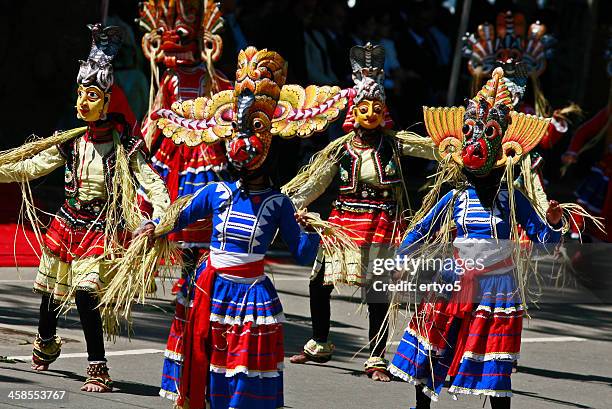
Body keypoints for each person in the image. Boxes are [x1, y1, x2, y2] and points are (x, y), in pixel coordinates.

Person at [148, 46, 352, 408]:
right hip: (209, 291)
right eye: (238, 131)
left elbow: (304, 255)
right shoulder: (216, 192)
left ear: (269, 145)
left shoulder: (278, 204)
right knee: (209, 364)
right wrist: (151, 228)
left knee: (243, 371)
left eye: (253, 131)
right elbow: (175, 219)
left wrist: (320, 233)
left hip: (251, 299)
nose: (243, 145)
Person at [0, 24, 170, 392]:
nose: (83, 102)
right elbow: (32, 166)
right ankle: (46, 342)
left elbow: (152, 181)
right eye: (81, 93)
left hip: (100, 227)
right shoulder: (72, 142)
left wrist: (161, 215)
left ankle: (98, 368)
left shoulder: (125, 146)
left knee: (86, 292)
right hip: (67, 223)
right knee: (49, 292)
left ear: (108, 101)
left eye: (92, 95)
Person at [388, 68, 563, 409]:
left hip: (498, 286)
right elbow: (421, 229)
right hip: (454, 279)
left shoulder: (513, 198)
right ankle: (421, 406)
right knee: (433, 341)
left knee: (494, 360)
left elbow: (544, 241)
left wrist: (555, 224)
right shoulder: (455, 198)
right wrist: (399, 261)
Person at [286, 43, 436, 382]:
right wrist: (296, 204)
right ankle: (320, 343)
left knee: (377, 292)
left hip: (381, 221)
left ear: (385, 111)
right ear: (354, 111)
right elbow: (317, 181)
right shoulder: (340, 148)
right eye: (364, 107)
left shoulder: (396, 142)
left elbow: (435, 148)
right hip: (343, 223)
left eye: (376, 107)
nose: (370, 113)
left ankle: (376, 358)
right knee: (318, 282)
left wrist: (461, 148)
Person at [137, 0, 232, 293]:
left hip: (203, 152)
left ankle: (193, 274)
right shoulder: (169, 78)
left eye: (180, 35)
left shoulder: (210, 77)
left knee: (198, 210)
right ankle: (146, 268)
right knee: (158, 205)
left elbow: (224, 107)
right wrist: (141, 143)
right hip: (172, 151)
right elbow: (156, 112)